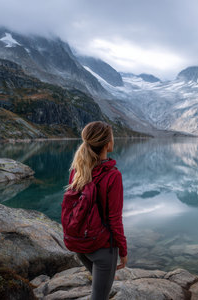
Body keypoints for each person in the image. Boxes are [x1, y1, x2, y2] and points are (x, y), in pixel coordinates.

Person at [64, 121, 127, 300]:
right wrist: (123, 251)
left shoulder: (78, 169)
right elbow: (115, 220)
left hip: (79, 244)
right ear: (108, 143)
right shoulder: (113, 175)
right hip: (102, 248)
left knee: (99, 289)